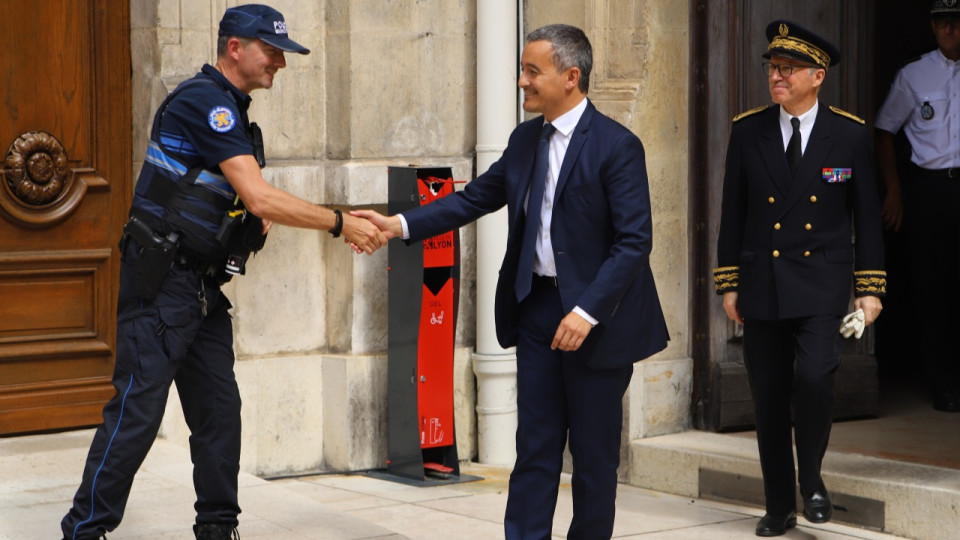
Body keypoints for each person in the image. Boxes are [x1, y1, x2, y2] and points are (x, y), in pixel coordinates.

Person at [60, 5, 385, 540]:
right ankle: (83, 530)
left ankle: (217, 528)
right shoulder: (205, 102)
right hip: (163, 283)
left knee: (218, 411)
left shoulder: (233, 111)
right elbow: (259, 196)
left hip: (201, 289)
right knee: (137, 413)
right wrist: (339, 223)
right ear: (234, 47)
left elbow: (250, 209)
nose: (280, 62)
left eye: (283, 53)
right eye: (271, 50)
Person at [354, 23, 668, 540]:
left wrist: (586, 312)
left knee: (592, 457)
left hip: (597, 319)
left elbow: (634, 242)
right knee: (535, 447)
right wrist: (399, 225)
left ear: (571, 76)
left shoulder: (617, 146)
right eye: (521, 69)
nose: (521, 81)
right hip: (538, 310)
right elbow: (474, 197)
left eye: (532, 71)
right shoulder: (526, 139)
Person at [713, 20, 886, 537]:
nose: (776, 77)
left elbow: (868, 218)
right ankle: (776, 504)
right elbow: (732, 213)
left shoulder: (850, 135)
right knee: (766, 393)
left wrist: (870, 287)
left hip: (822, 285)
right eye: (773, 67)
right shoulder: (749, 131)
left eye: (788, 69)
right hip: (763, 282)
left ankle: (810, 479)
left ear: (818, 75)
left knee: (813, 378)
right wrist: (729, 282)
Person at [875, 0, 960, 412]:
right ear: (931, 25)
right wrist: (894, 191)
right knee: (933, 286)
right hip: (931, 190)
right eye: (942, 22)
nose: (950, 30)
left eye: (956, 22)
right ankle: (943, 383)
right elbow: (884, 131)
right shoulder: (914, 75)